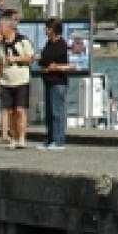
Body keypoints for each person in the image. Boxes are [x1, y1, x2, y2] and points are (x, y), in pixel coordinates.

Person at [0, 16, 35, 149]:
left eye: (1, 27)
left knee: (20, 110)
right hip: (6, 81)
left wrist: (16, 58)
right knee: (10, 111)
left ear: (8, 27)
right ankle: (13, 137)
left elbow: (30, 58)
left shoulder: (23, 41)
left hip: (21, 79)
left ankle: (22, 137)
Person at [38, 17, 72, 150]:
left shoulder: (61, 44)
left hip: (58, 82)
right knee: (49, 112)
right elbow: (44, 60)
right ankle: (49, 139)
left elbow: (58, 62)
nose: (45, 30)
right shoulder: (49, 43)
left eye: (47, 28)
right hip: (48, 80)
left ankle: (59, 141)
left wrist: (53, 66)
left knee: (58, 112)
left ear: (53, 30)